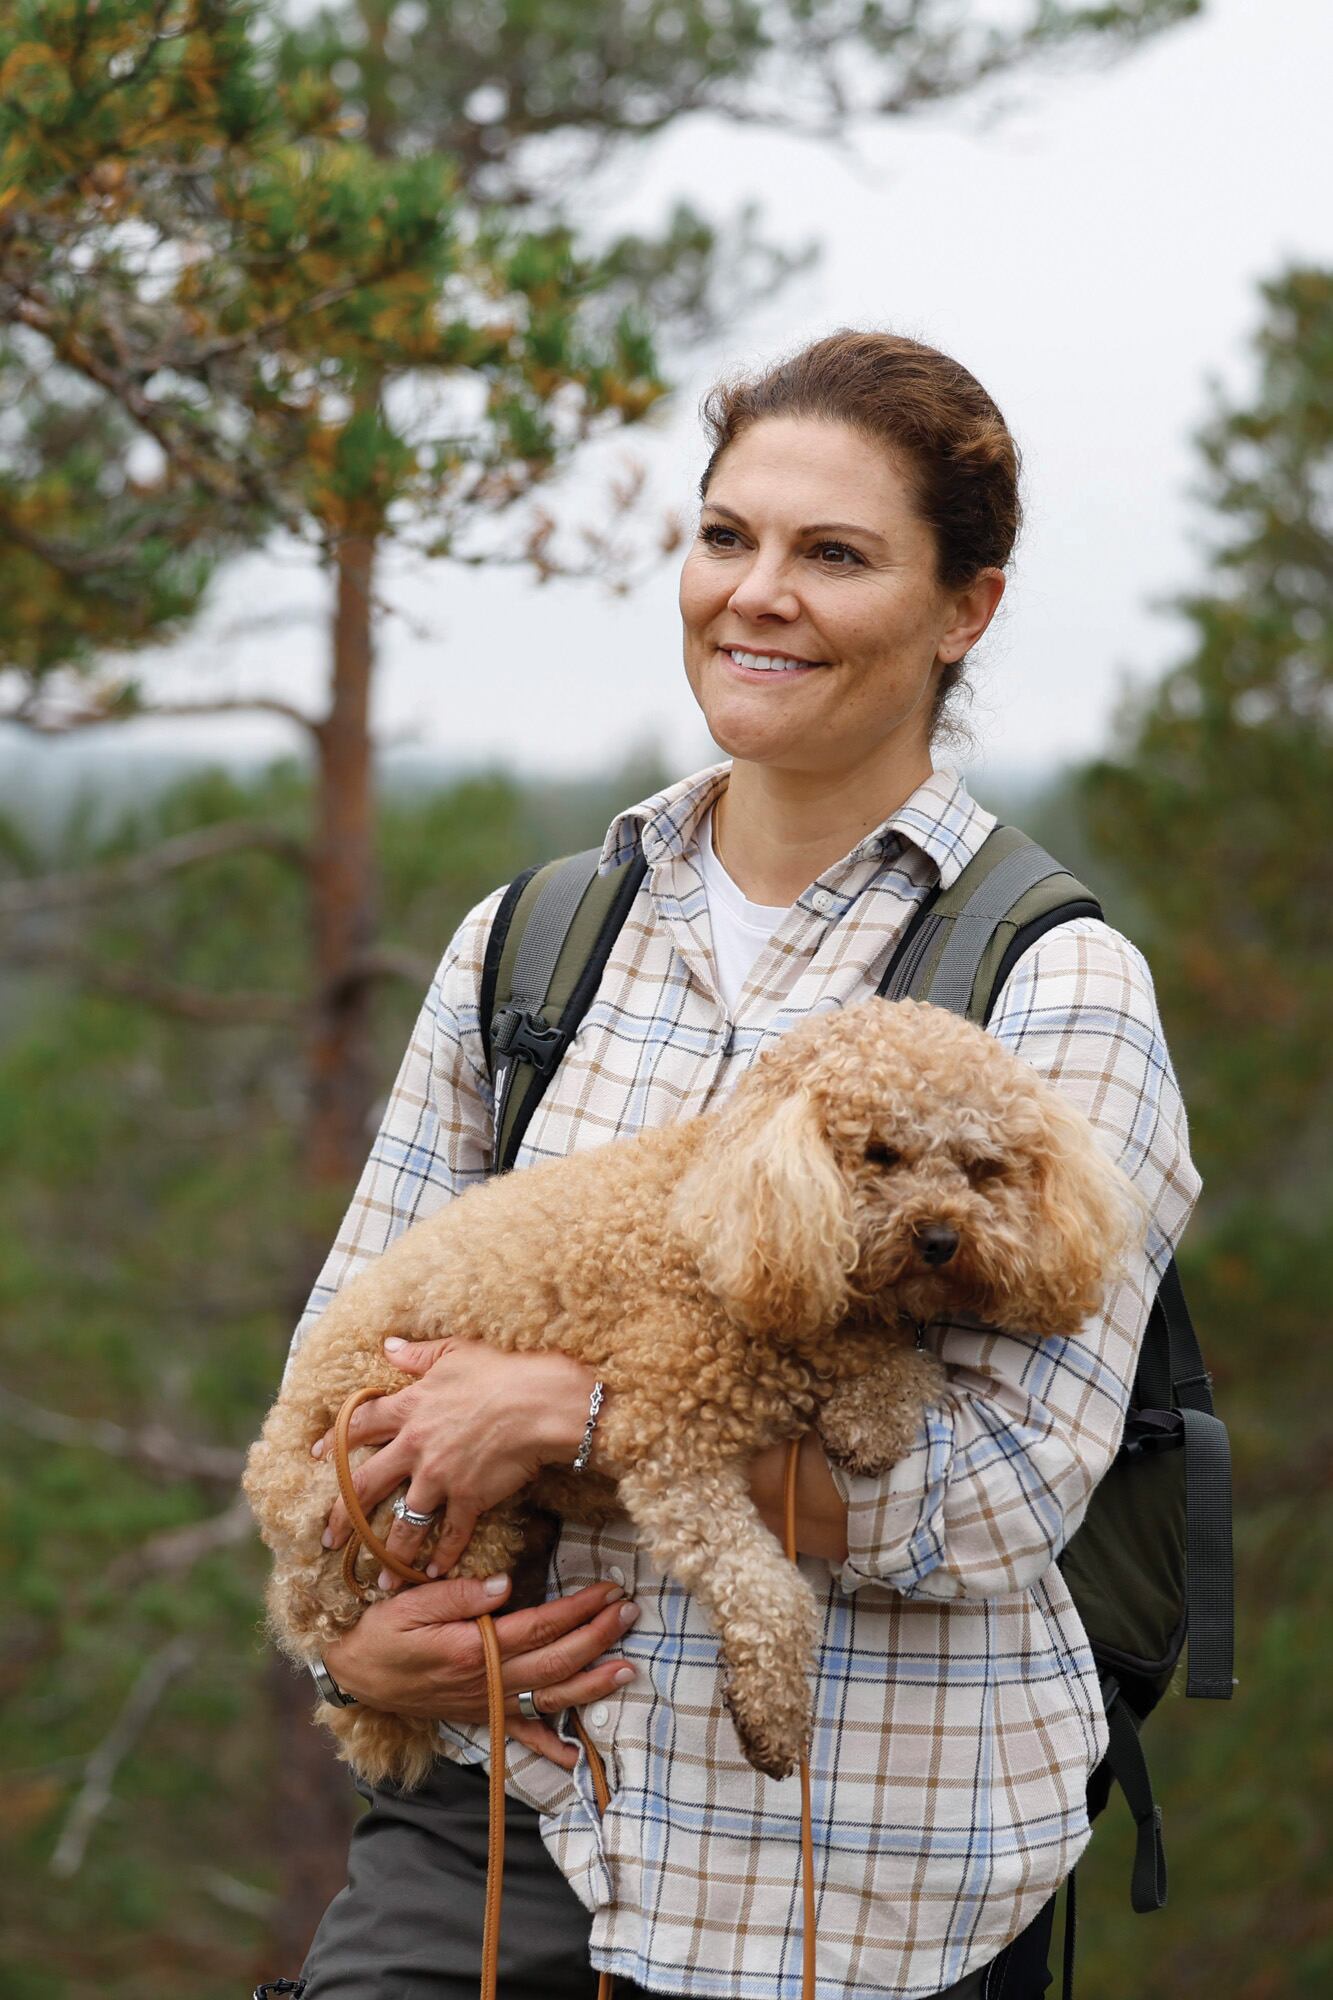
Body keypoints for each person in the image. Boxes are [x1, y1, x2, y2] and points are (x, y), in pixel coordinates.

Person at [280, 330, 1200, 2000]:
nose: (755, 594)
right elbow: (348, 1349)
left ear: (962, 610)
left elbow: (1000, 1495)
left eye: (832, 555)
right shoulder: (540, 939)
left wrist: (575, 1415)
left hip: (854, 1891)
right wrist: (354, 1642)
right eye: (727, 538)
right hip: (507, 1826)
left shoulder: (1050, 982)